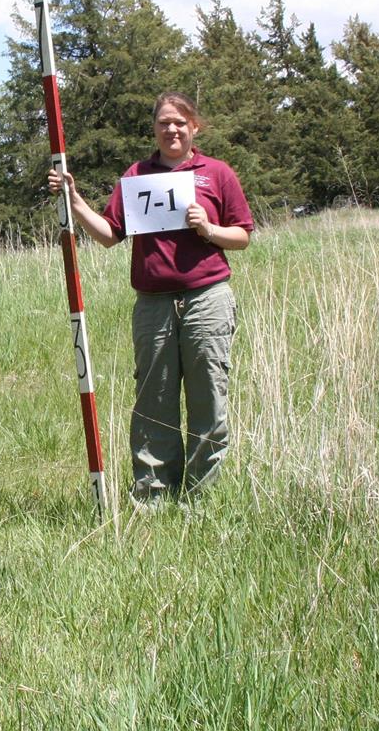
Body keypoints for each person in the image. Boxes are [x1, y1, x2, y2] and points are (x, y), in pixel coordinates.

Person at [48, 91, 254, 506]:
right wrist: (74, 200)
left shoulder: (216, 174)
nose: (172, 129)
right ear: (155, 128)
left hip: (206, 300)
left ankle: (201, 498)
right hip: (153, 306)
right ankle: (154, 496)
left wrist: (209, 229)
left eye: (180, 122)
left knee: (208, 397)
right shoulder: (138, 176)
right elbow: (109, 235)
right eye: (164, 122)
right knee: (153, 402)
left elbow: (243, 235)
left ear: (194, 127)